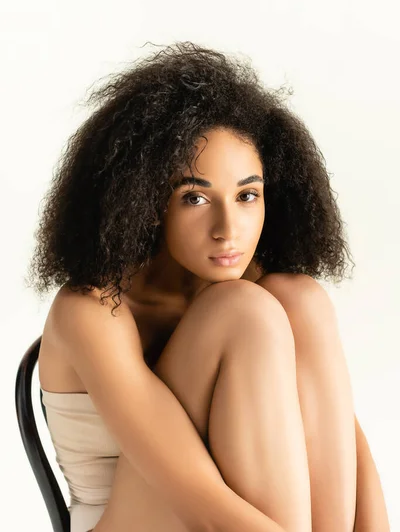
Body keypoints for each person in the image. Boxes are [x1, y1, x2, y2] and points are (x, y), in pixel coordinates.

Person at [27, 41, 358, 532]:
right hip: (132, 520)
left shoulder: (262, 293)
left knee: (299, 298)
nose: (229, 228)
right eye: (196, 198)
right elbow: (201, 503)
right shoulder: (90, 310)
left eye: (248, 195)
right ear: (144, 200)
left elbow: (345, 447)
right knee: (245, 310)